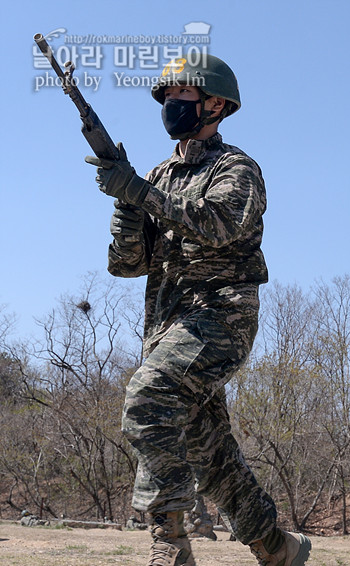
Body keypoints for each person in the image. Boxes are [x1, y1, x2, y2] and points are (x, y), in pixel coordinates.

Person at [84, 55, 310, 566]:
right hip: (167, 327)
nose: (170, 105)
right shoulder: (161, 173)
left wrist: (139, 190)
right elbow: (127, 264)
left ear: (215, 104)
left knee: (148, 398)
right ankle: (276, 546)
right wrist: (125, 205)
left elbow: (217, 224)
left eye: (181, 96)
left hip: (219, 319)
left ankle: (170, 544)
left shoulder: (238, 169)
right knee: (212, 455)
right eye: (166, 97)